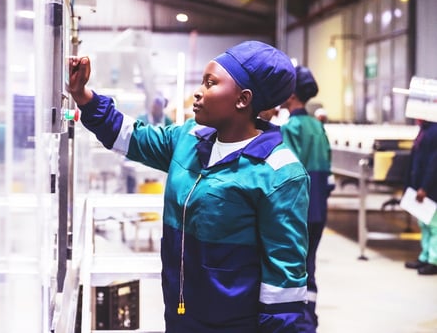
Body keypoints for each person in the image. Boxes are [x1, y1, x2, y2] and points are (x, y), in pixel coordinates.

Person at [69, 40, 311, 332]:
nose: (197, 92)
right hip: (180, 313)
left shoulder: (279, 174)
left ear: (243, 99)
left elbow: (283, 285)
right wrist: (83, 95)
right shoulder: (190, 139)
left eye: (210, 83)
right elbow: (129, 137)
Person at [279, 66, 333, 331]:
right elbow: (328, 174)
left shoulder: (291, 128)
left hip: (298, 212)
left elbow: (290, 175)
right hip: (320, 209)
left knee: (295, 266)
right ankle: (311, 315)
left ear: (291, 94)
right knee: (310, 263)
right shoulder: (318, 127)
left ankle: (300, 318)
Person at [403, 119, 437, 275]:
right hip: (421, 185)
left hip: (431, 188)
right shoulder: (424, 130)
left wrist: (425, 187)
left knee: (434, 226)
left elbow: (434, 163)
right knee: (424, 223)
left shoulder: (434, 131)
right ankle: (425, 256)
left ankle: (434, 261)